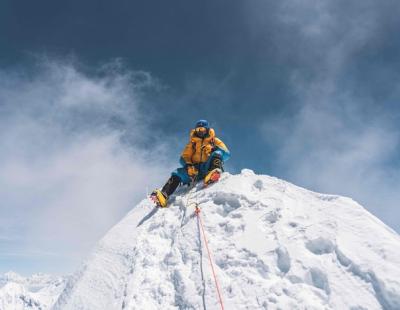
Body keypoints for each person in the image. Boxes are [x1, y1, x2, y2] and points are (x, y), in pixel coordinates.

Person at [151, 119, 230, 208]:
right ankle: (163, 195)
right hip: (195, 171)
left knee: (217, 154)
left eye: (202, 129)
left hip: (208, 166)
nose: (200, 132)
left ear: (207, 129)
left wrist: (215, 149)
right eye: (198, 130)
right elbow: (184, 157)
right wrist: (188, 165)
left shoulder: (214, 140)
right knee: (178, 173)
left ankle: (214, 173)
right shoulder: (192, 143)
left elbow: (226, 153)